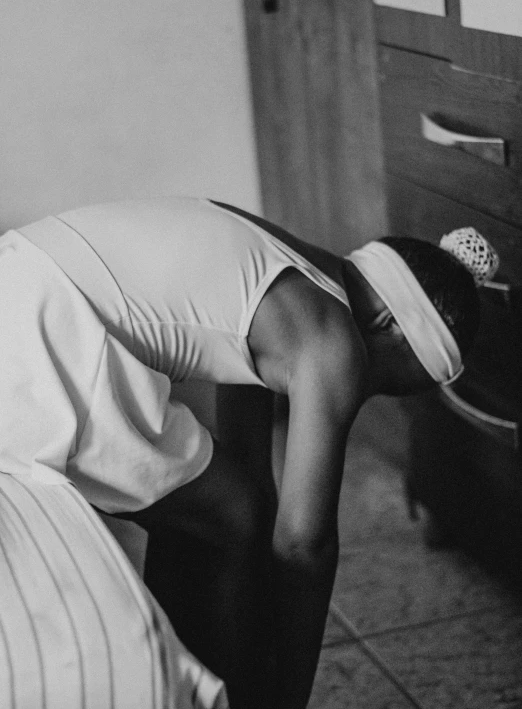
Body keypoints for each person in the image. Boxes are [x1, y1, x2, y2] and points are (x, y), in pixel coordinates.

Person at [0, 196, 498, 709]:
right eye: (383, 383)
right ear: (391, 325)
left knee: (221, 511)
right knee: (229, 515)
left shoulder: (284, 273)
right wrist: (290, 695)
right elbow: (305, 546)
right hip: (46, 335)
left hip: (19, 284)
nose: (359, 395)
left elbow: (249, 464)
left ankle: (191, 683)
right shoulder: (333, 339)